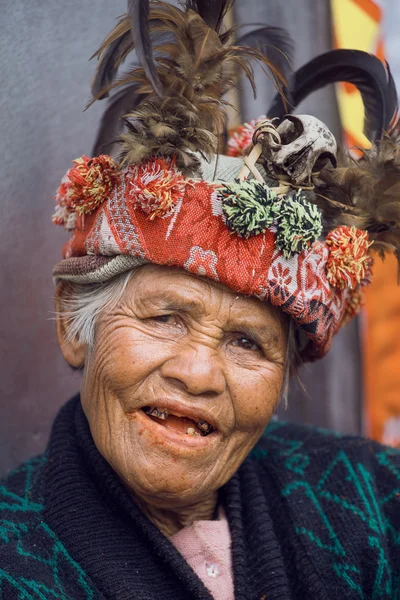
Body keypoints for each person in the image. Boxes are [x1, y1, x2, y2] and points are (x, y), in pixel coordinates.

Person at [1, 1, 399, 598]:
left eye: (247, 342)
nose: (198, 373)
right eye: (165, 317)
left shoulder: (375, 495)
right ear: (71, 322)